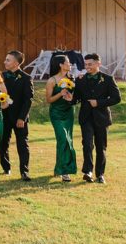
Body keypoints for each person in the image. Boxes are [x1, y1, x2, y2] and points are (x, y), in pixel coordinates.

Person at [74, 52, 121, 184]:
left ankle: (100, 174)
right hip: (86, 117)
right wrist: (69, 99)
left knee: (101, 147)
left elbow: (117, 98)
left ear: (98, 63)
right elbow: (76, 98)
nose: (87, 67)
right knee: (87, 144)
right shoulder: (80, 79)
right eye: (85, 64)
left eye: (90, 64)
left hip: (102, 118)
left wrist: (99, 103)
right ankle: (87, 171)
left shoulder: (108, 79)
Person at [0, 50, 34, 181]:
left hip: (19, 118)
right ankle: (6, 168)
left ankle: (24, 171)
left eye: (8, 60)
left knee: (22, 145)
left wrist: (22, 118)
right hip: (4, 116)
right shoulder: (0, 76)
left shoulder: (26, 78)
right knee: (3, 144)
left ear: (16, 63)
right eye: (5, 59)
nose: (5, 62)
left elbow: (28, 100)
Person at [45, 53, 77, 182]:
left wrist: (71, 96)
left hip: (69, 112)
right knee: (63, 138)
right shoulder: (52, 81)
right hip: (56, 114)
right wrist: (60, 94)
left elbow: (76, 97)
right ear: (61, 65)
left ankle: (59, 168)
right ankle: (65, 171)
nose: (70, 64)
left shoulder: (72, 78)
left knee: (66, 140)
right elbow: (49, 100)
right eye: (68, 62)